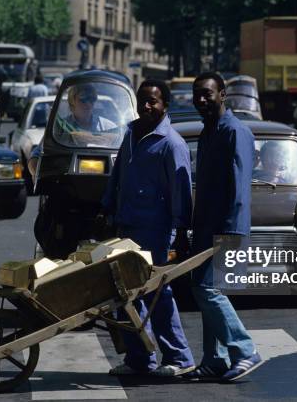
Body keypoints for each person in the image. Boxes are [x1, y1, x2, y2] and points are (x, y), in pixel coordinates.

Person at [100, 79, 195, 377]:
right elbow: (118, 174)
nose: (146, 106)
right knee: (124, 294)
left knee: (157, 295)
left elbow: (182, 191)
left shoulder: (172, 143)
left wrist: (181, 232)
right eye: (142, 100)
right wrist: (106, 208)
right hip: (127, 225)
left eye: (153, 101)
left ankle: (180, 358)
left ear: (165, 104)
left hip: (156, 231)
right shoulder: (130, 133)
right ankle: (139, 360)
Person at [184, 72, 262, 382]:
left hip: (226, 227)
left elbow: (239, 184)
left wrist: (231, 229)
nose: (201, 100)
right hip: (205, 226)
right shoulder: (209, 131)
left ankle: (244, 350)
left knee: (207, 289)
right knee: (203, 289)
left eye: (207, 93)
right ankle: (213, 359)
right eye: (197, 94)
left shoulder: (234, 131)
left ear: (222, 94)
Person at [27, 83, 117, 178]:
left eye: (92, 99)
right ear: (72, 101)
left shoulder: (108, 127)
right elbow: (37, 153)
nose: (89, 104)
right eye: (83, 99)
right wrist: (36, 172)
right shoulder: (61, 127)